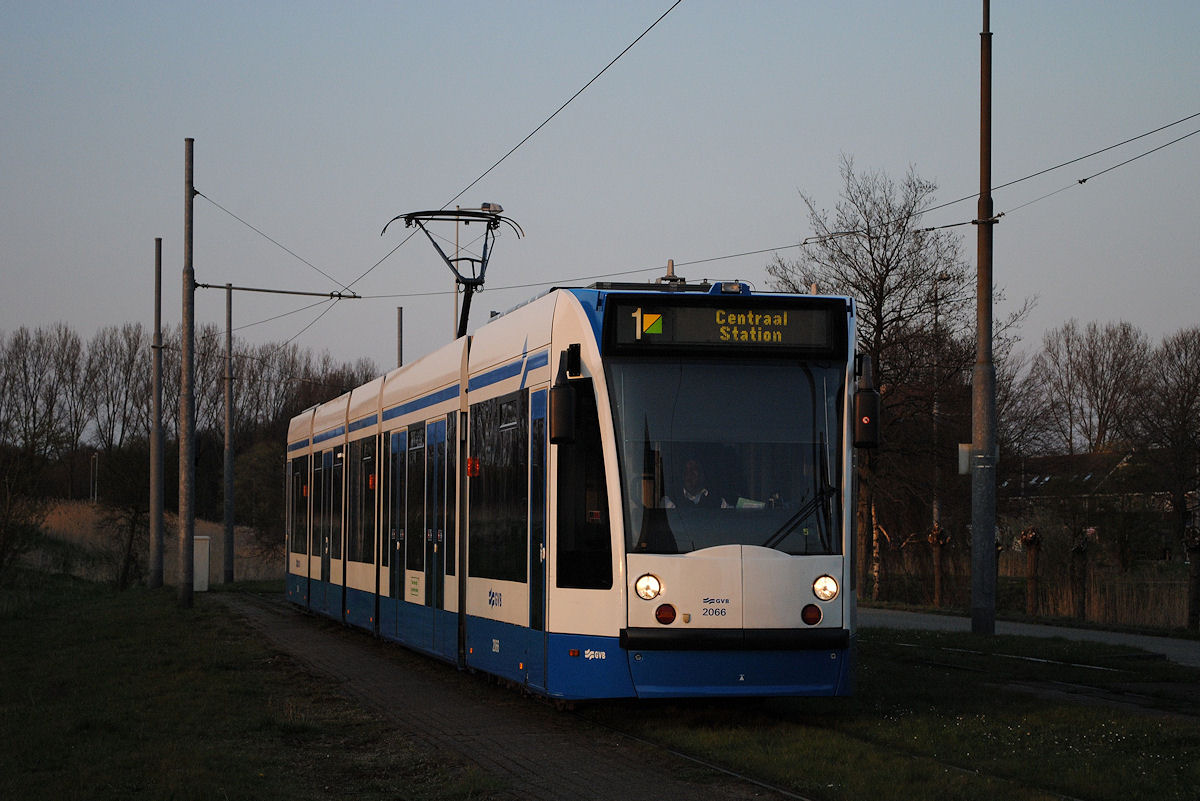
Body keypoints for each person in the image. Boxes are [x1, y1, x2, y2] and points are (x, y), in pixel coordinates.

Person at [661, 458, 728, 509]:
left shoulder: (718, 502)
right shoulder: (669, 501)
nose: (690, 474)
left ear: (701, 474)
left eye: (694, 469)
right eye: (687, 470)